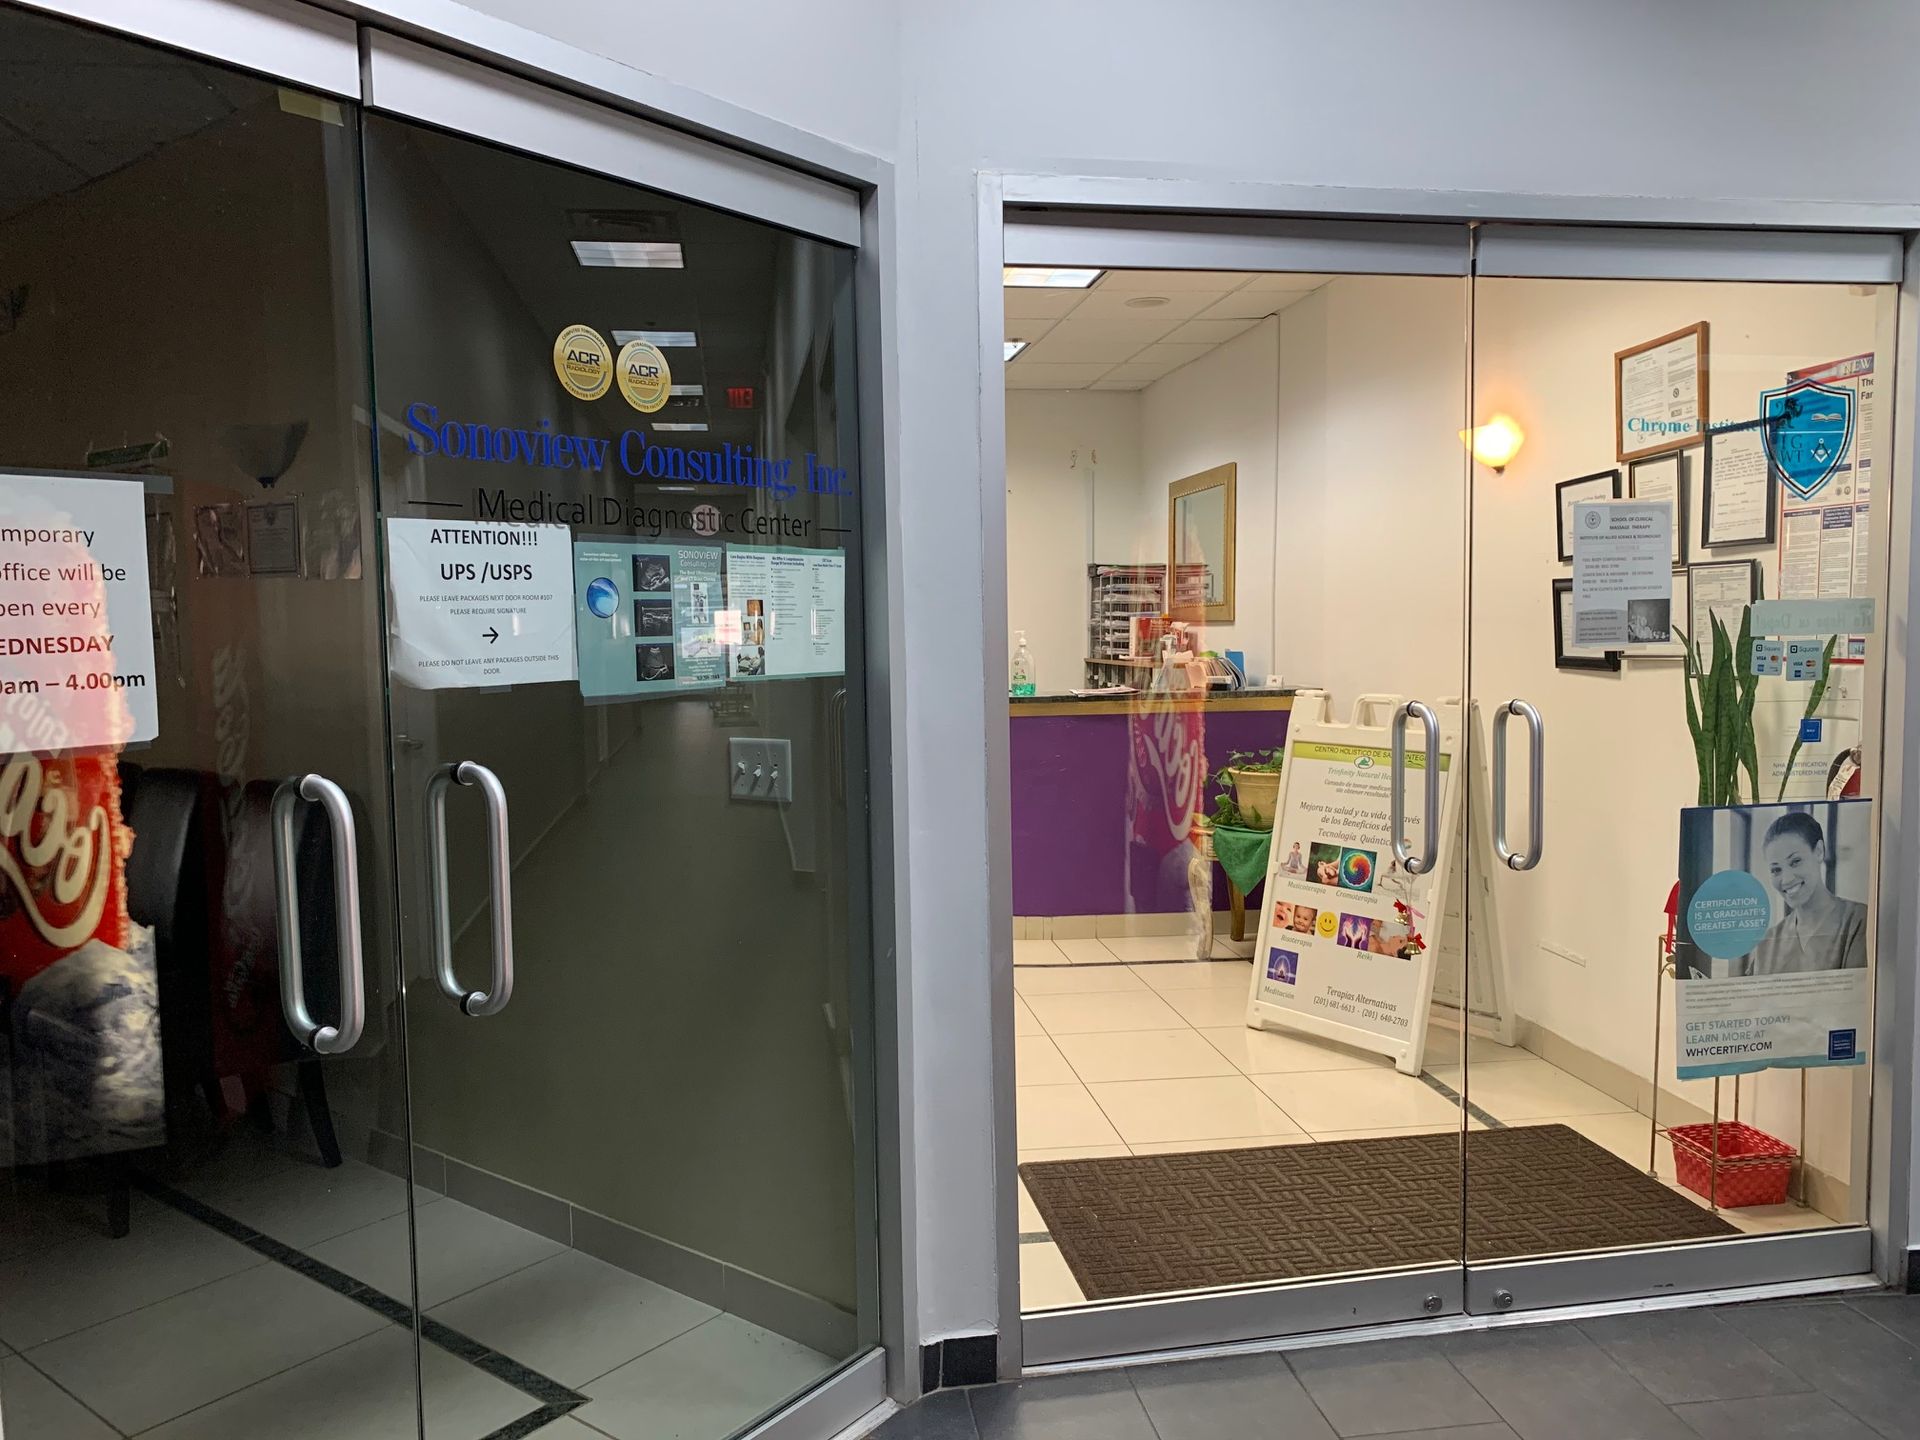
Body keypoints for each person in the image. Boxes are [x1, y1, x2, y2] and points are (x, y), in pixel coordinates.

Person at [1739, 811, 1868, 975]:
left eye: (1795, 861)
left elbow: (1854, 995)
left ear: (1819, 851)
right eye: (1776, 870)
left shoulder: (1858, 921)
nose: (1786, 880)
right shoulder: (1769, 942)